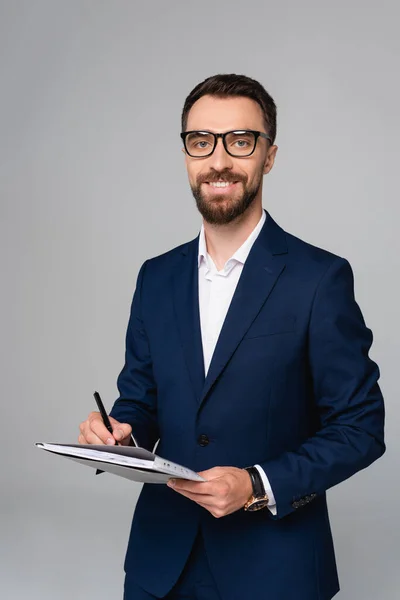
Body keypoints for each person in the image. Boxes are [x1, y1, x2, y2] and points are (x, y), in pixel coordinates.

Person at [78, 73, 386, 600]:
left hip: (274, 570)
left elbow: (361, 427)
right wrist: (119, 433)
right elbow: (142, 400)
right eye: (202, 142)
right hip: (161, 565)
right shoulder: (156, 276)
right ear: (186, 156)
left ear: (268, 156)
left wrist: (257, 485)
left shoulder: (320, 279)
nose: (218, 160)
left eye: (240, 141)